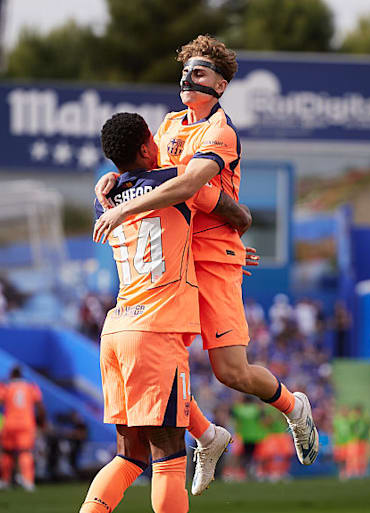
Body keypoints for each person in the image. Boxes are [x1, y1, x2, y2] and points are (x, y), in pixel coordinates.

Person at [93, 34, 318, 495]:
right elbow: (149, 171)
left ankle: (294, 408)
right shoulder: (171, 123)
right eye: (185, 71)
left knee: (230, 371)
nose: (187, 78)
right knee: (163, 358)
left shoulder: (221, 130)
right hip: (178, 252)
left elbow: (191, 181)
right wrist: (114, 177)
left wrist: (122, 208)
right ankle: (207, 436)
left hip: (212, 255)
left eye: (198, 72)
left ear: (221, 84)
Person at [79, 112, 249, 513]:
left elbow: (123, 191)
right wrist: (231, 248)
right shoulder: (176, 182)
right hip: (156, 328)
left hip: (117, 329)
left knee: (128, 455)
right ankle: (207, 437)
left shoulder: (105, 196)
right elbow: (238, 215)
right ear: (145, 147)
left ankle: (208, 435)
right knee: (169, 457)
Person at [0, 366, 44, 492]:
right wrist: (41, 421)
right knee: (25, 451)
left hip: (9, 423)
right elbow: (40, 406)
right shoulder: (30, 387)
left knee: (7, 452)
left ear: (11, 375)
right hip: (26, 424)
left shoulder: (5, 386)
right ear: (21, 375)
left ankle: (5, 481)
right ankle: (27, 481)